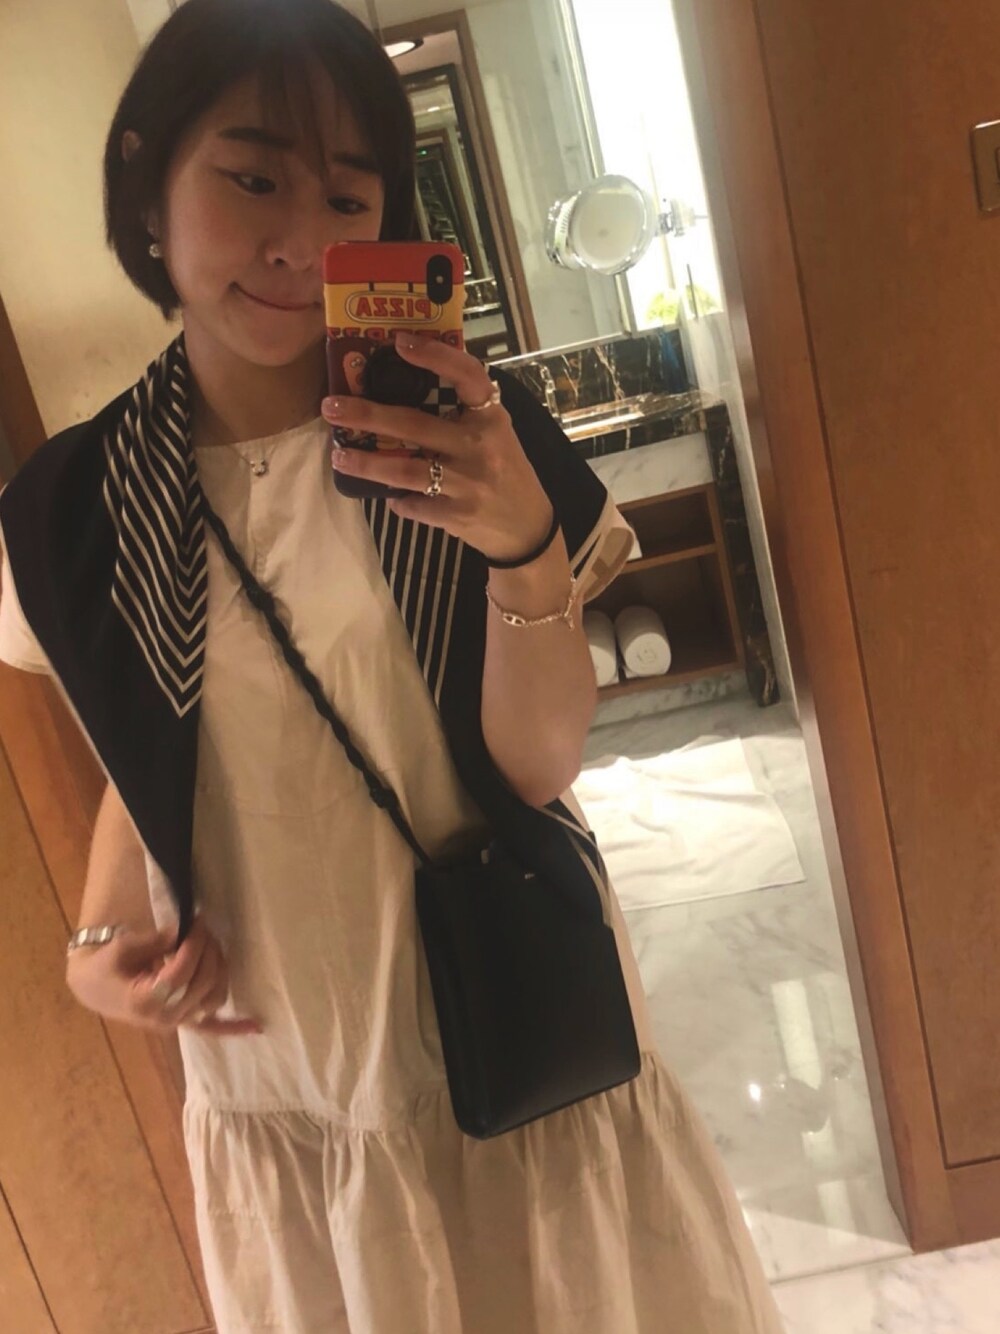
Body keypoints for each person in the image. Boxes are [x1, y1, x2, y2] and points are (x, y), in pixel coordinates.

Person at [0, 2, 786, 1331]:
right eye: (252, 180)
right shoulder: (71, 510)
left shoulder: (468, 432)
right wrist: (95, 939)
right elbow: (152, 747)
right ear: (146, 184)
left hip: (514, 1025)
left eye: (347, 197)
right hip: (291, 1082)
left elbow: (537, 767)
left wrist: (521, 544)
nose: (302, 243)